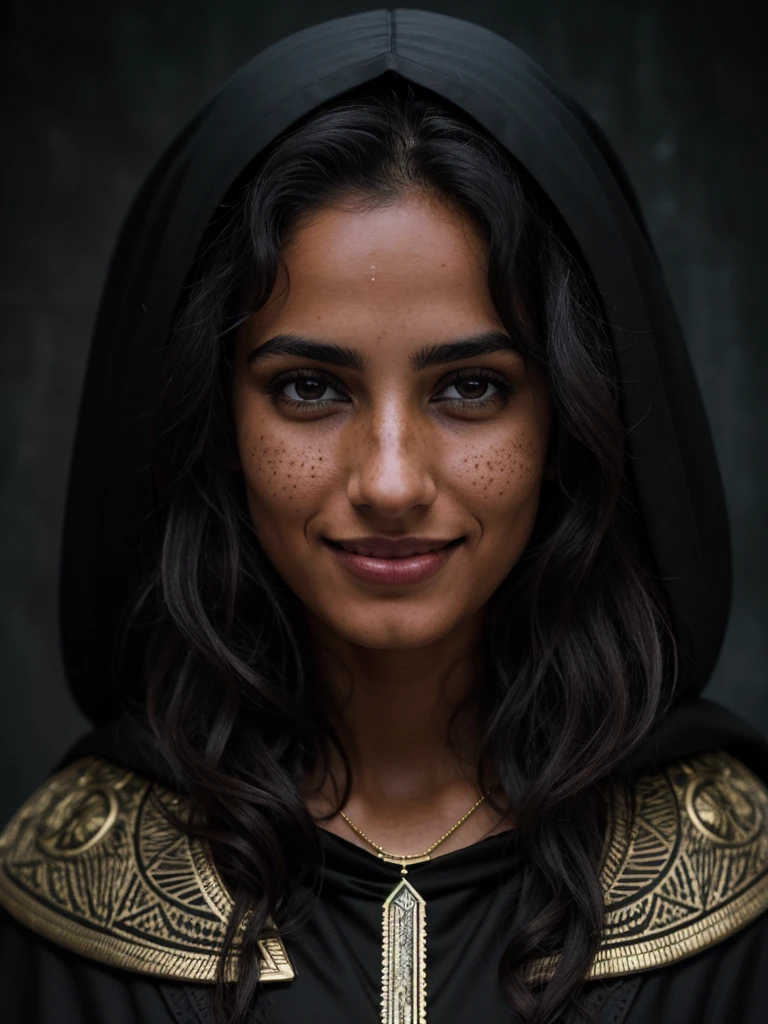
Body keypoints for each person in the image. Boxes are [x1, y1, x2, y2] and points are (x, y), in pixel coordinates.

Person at [1, 9, 767, 1024]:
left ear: (574, 418)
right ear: (211, 417)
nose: (393, 479)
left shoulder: (739, 893)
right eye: (312, 387)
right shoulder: (66, 905)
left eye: (472, 388)